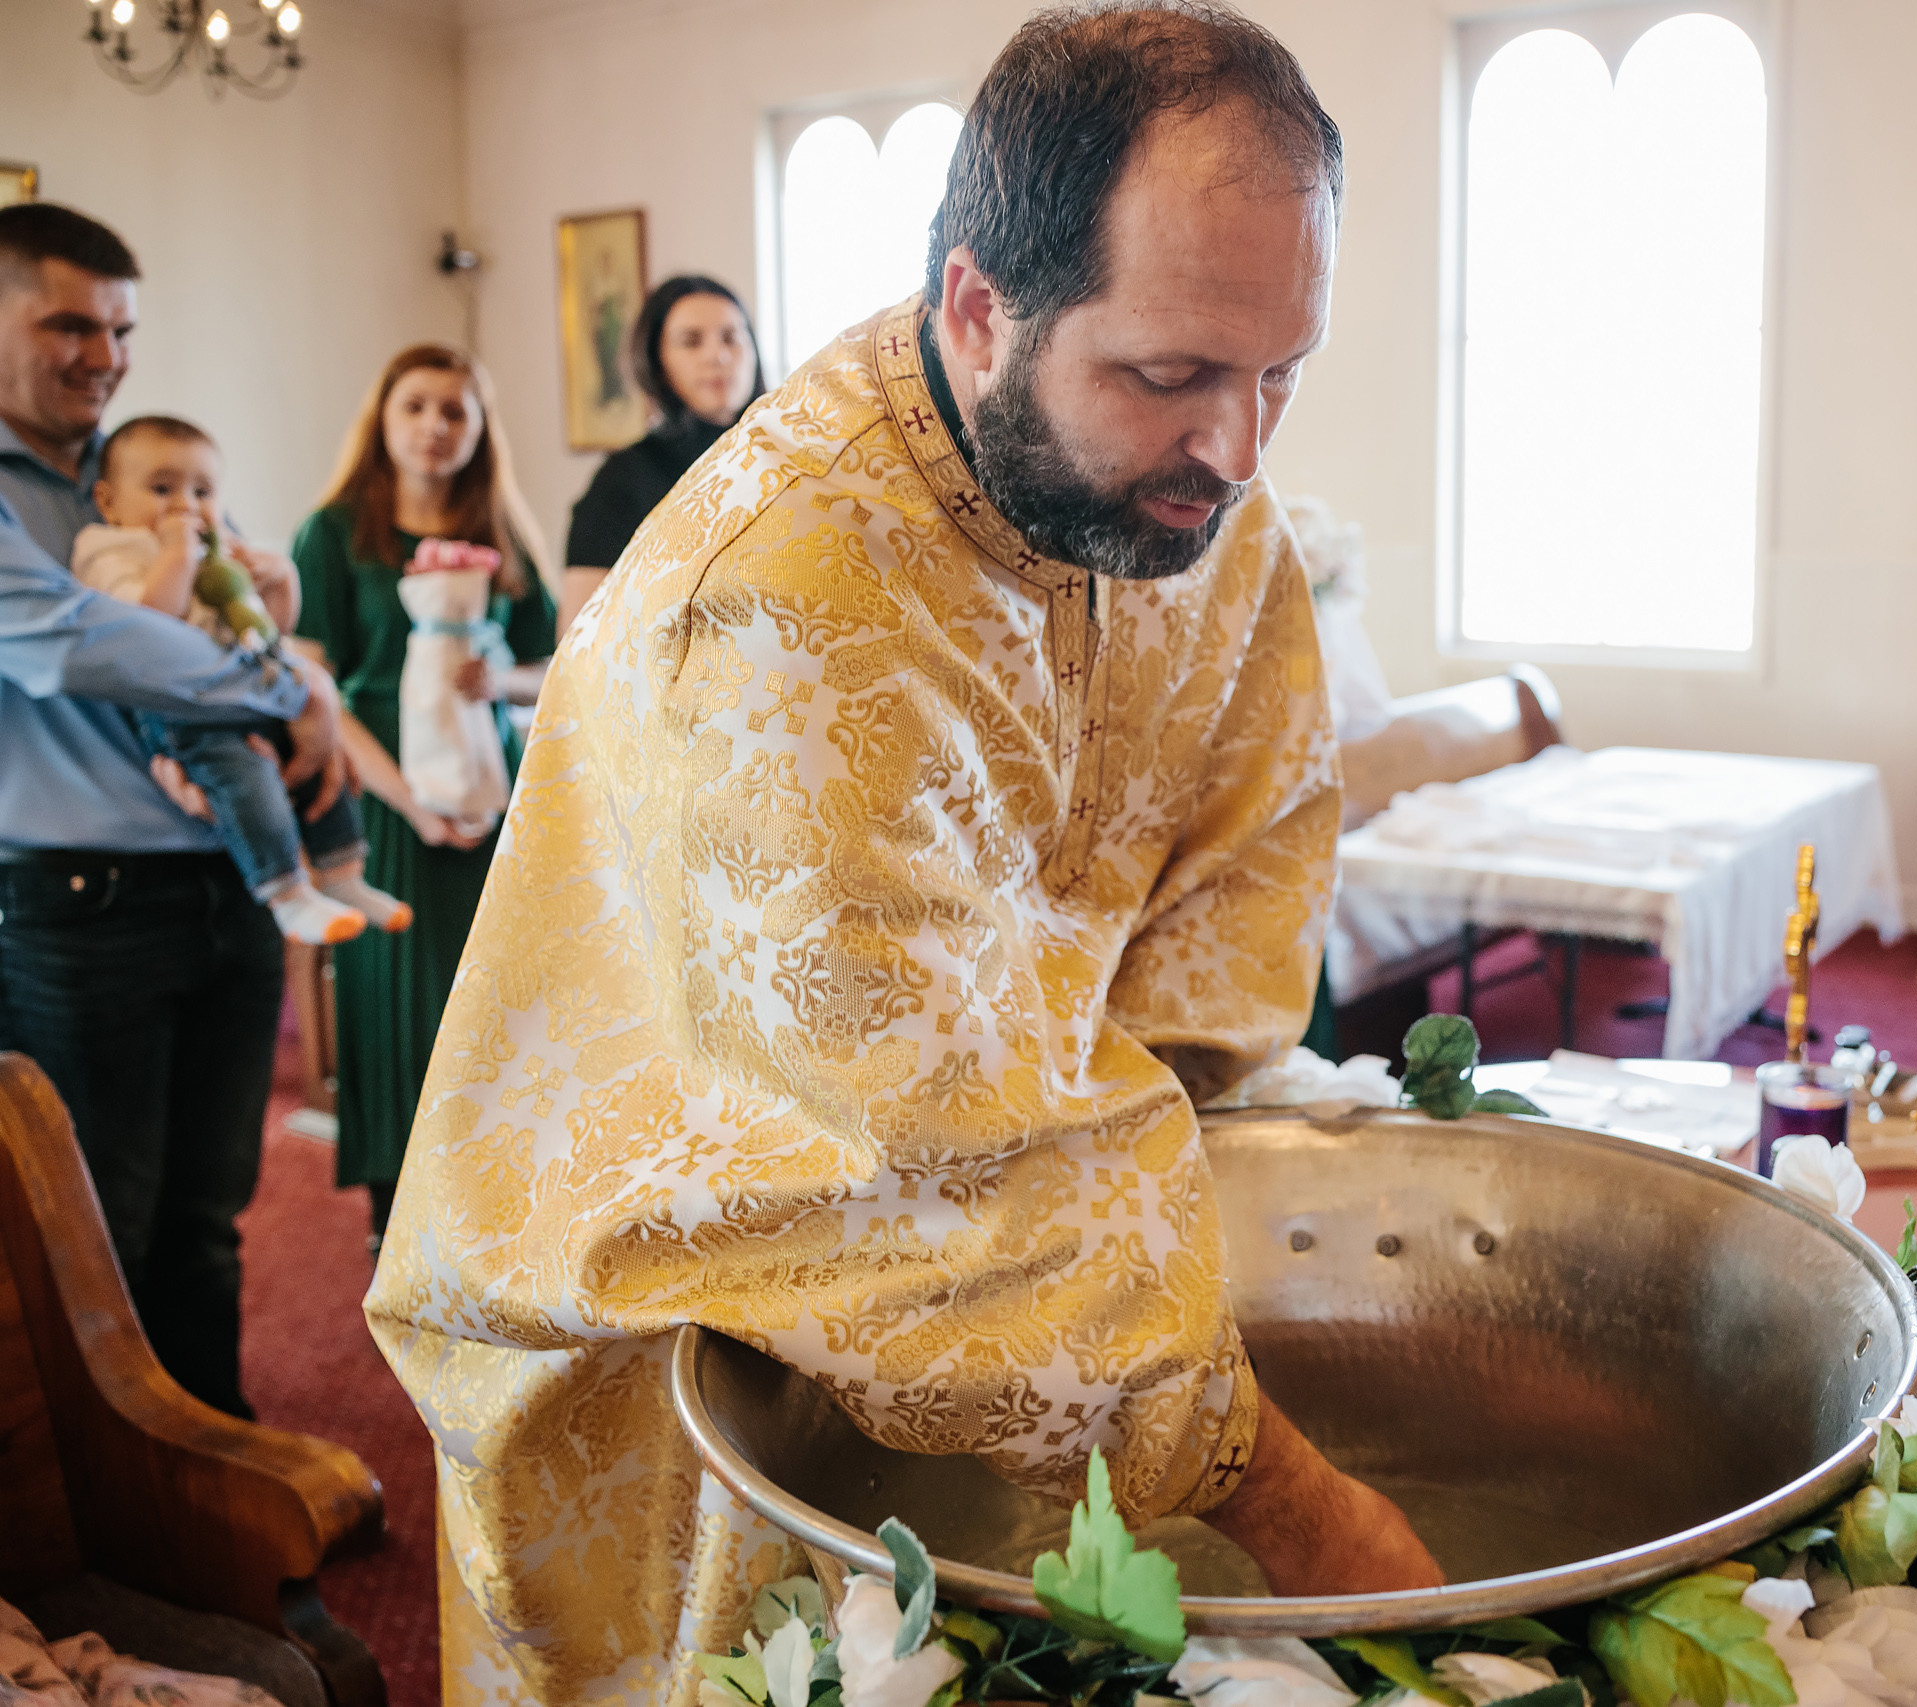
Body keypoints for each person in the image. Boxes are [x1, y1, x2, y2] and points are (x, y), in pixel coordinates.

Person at [366, 6, 1441, 1700]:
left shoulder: (1199, 508)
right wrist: (1311, 1518)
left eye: (1280, 372)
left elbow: (1247, 861)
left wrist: (1149, 1187)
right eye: (1169, 375)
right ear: (976, 309)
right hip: (693, 1350)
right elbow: (928, 1154)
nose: (1239, 450)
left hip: (1055, 1271)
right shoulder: (779, 613)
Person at [0, 201, 348, 1421]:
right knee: (102, 1240)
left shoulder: (145, 470)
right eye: (67, 325)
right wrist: (288, 688)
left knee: (211, 1219)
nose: (103, 353)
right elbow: (89, 648)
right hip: (83, 910)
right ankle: (118, 1535)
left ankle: (219, 1480)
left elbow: (248, 607)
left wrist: (296, 676)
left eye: (120, 328)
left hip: (227, 884)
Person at [290, 344, 555, 1247]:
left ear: (479, 427)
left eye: (455, 409)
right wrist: (408, 799)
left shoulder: (504, 531)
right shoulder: (333, 533)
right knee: (394, 998)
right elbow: (314, 690)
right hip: (381, 800)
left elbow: (551, 664)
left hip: (487, 790)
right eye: (417, 407)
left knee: (490, 997)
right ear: (384, 419)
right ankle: (396, 1212)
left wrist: (503, 684)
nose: (436, 426)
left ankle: (498, 1197)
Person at [73, 414, 412, 945]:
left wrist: (281, 585)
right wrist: (176, 557)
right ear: (109, 501)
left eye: (203, 490)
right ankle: (286, 893)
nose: (186, 504)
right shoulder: (109, 549)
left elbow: (267, 634)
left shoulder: (218, 548)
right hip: (186, 715)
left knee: (325, 763)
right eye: (162, 488)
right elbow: (146, 630)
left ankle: (345, 874)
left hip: (249, 696)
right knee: (246, 775)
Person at [557, 274, 766, 634]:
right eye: (691, 341)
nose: (717, 356)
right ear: (657, 362)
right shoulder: (623, 479)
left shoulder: (791, 458)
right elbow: (578, 637)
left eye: (731, 337)